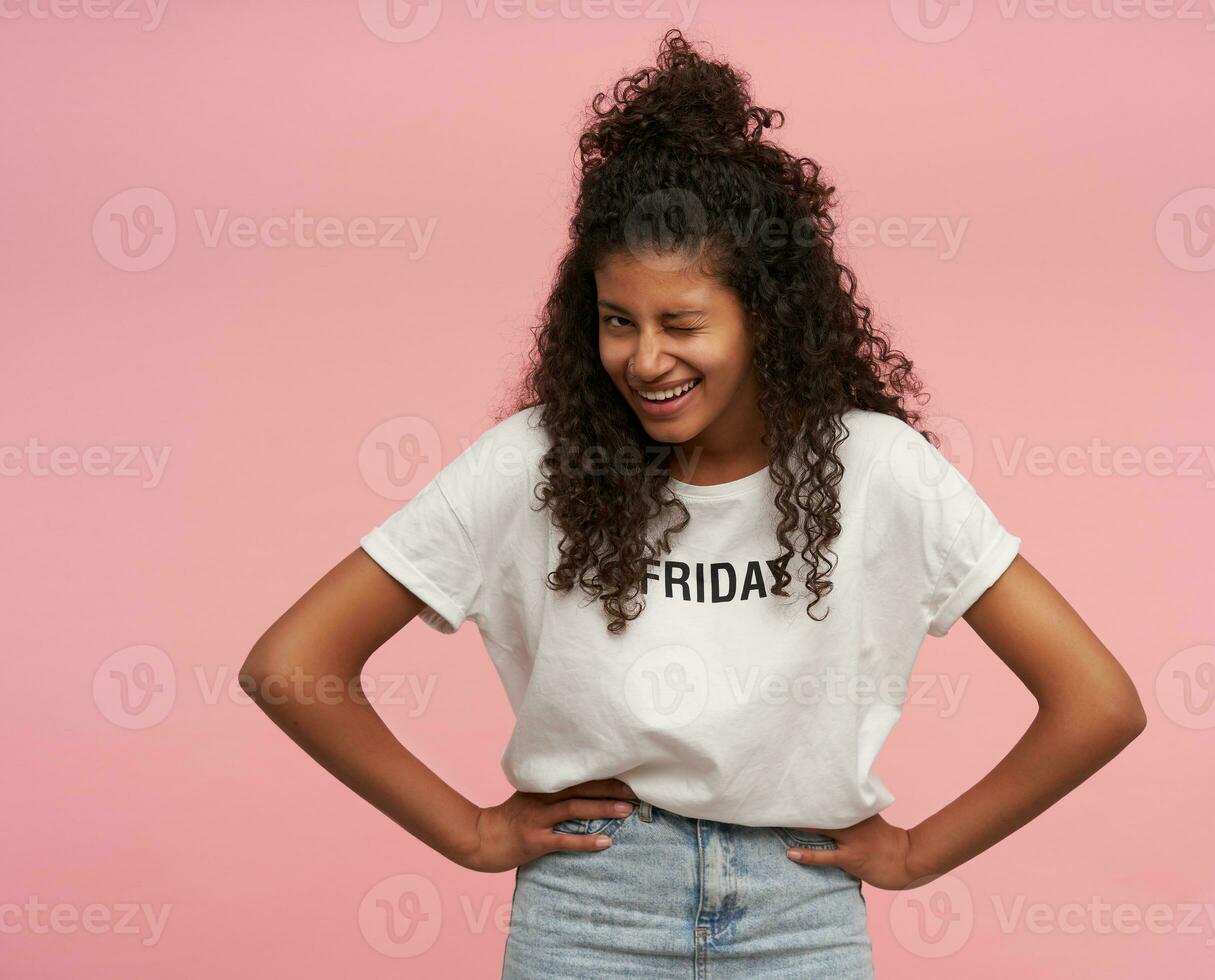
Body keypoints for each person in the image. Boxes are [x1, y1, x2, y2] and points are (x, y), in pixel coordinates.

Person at [241, 28, 1146, 978]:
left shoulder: (879, 470)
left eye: (682, 323)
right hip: (590, 912)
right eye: (617, 321)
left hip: (798, 912)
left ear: (766, 316)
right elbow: (292, 664)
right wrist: (468, 833)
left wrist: (920, 855)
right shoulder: (535, 464)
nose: (644, 359)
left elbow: (1098, 703)